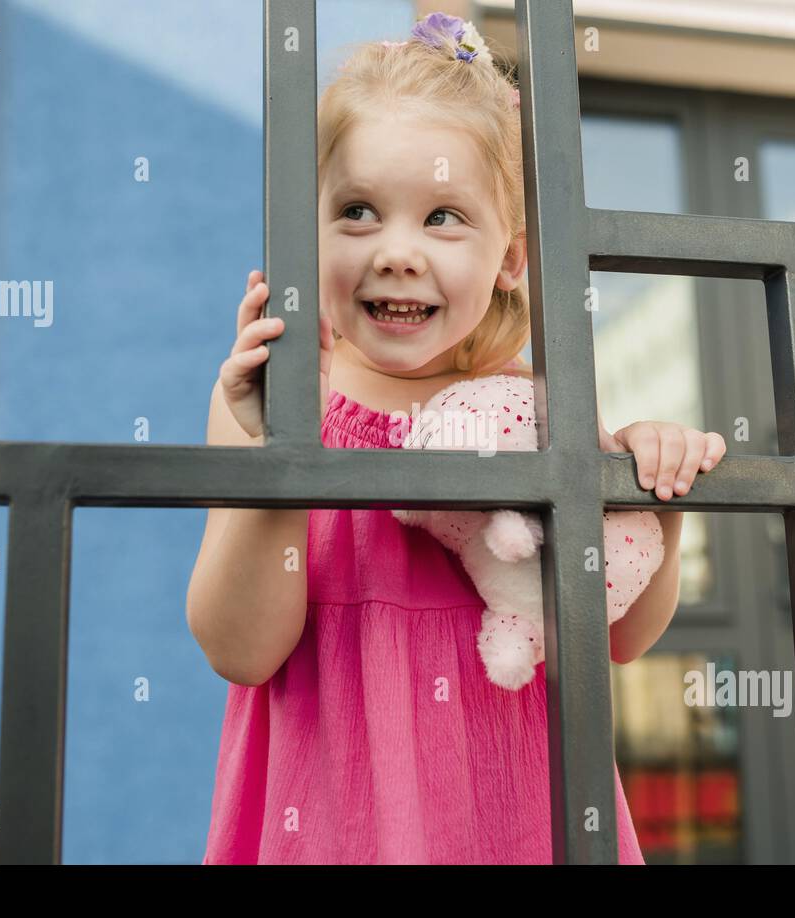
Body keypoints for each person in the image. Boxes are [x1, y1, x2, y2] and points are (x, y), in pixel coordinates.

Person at [186, 12, 727, 864]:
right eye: (358, 211)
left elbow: (615, 634)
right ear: (305, 234)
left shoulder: (531, 410)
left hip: (516, 816)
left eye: (443, 217)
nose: (399, 252)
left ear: (510, 259)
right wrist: (277, 461)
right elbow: (239, 649)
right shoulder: (270, 405)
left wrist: (652, 495)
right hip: (332, 819)